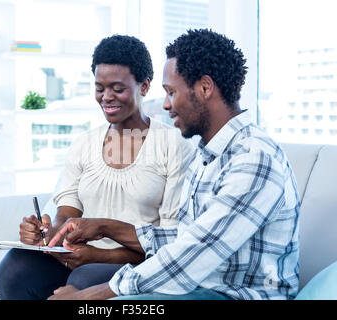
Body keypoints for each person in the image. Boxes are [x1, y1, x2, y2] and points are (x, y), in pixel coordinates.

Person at [47, 29, 301, 300]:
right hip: (198, 287)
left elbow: (193, 253)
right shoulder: (207, 154)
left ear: (204, 88)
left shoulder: (253, 159)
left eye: (171, 92)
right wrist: (106, 227)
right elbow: (183, 238)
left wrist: (89, 296)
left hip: (234, 295)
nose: (166, 105)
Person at [0, 35, 194, 300]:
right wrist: (45, 233)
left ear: (145, 86)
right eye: (100, 88)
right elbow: (65, 213)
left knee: (84, 278)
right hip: (80, 256)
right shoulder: (84, 143)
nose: (107, 97)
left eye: (117, 88)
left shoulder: (174, 146)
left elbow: (172, 240)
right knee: (14, 267)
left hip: (138, 262)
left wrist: (101, 255)